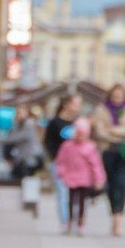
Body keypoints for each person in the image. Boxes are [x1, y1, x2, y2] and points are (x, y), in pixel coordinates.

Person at [91, 83, 125, 236]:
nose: (117, 99)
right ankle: (114, 212)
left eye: (120, 96)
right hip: (107, 150)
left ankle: (118, 218)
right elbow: (100, 131)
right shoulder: (101, 109)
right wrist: (118, 133)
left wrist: (113, 130)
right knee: (110, 185)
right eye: (115, 96)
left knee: (122, 184)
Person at [52, 117, 106, 236]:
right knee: (70, 200)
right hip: (70, 178)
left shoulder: (90, 147)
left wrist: (99, 179)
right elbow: (61, 161)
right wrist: (60, 172)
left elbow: (96, 165)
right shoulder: (67, 146)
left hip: (84, 179)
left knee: (82, 202)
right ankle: (69, 222)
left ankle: (81, 223)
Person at [43, 94, 81, 231]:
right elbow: (47, 142)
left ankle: (76, 219)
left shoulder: (79, 122)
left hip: (77, 164)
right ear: (67, 104)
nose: (78, 107)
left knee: (77, 193)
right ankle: (65, 221)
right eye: (76, 103)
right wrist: (55, 157)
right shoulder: (55, 122)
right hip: (60, 163)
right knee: (63, 192)